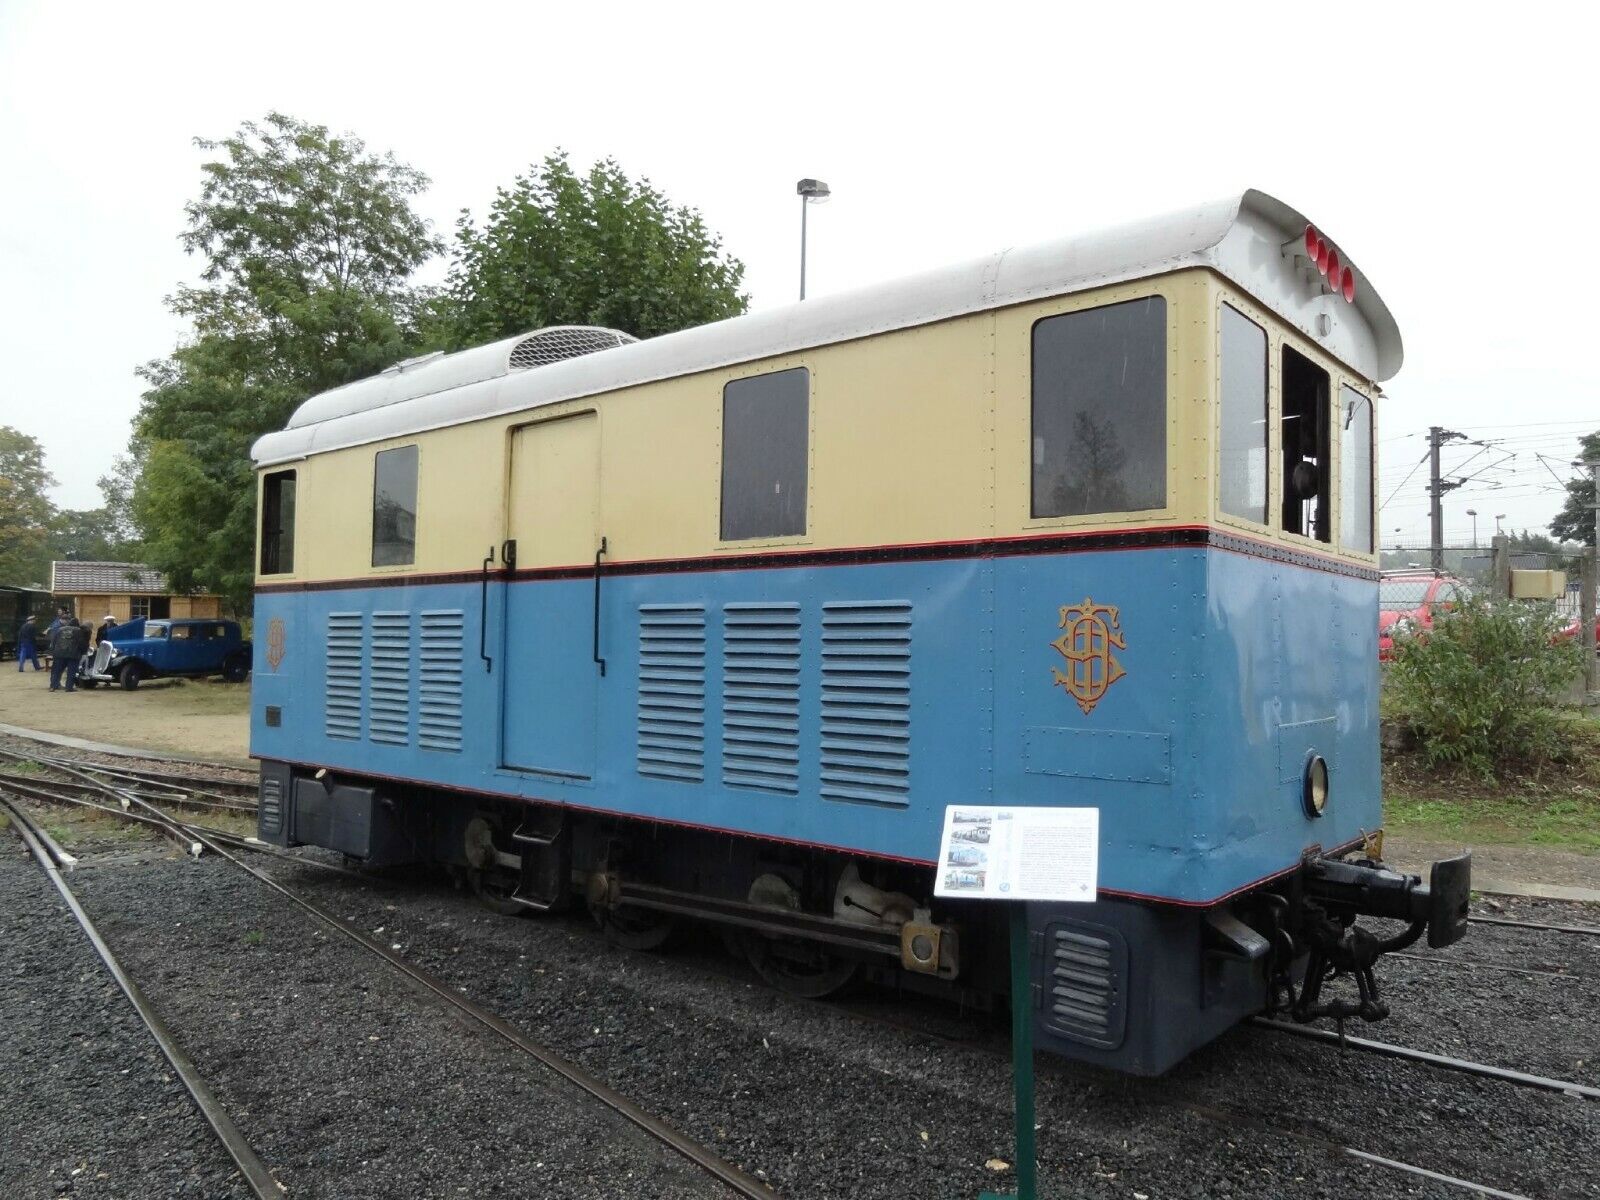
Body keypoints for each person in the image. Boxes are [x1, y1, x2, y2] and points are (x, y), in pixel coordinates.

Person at [48, 616, 79, 692]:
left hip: (59, 653)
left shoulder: (59, 630)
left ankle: (53, 686)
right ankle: (69, 687)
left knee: (57, 671)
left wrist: (53, 651)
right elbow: (80, 642)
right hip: (72, 654)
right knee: (71, 671)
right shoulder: (78, 631)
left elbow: (54, 641)